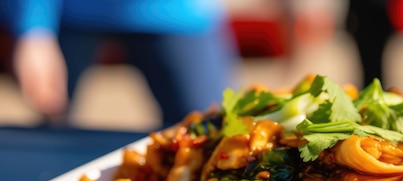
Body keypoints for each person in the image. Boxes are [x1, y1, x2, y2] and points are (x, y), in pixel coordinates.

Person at [1, 0, 239, 127]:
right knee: (51, 127)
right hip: (71, 13)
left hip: (179, 14)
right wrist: (33, 29)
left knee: (210, 129)